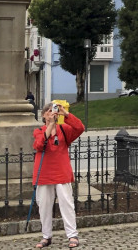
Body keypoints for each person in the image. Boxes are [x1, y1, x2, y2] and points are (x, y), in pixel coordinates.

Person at [32, 103, 84, 248]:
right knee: (44, 206)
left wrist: (65, 115)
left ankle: (72, 235)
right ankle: (46, 236)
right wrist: (50, 125)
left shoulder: (64, 129)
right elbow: (39, 145)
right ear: (43, 115)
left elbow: (79, 128)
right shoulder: (38, 131)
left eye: (53, 110)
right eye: (48, 111)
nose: (51, 113)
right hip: (44, 173)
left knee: (67, 204)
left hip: (61, 172)